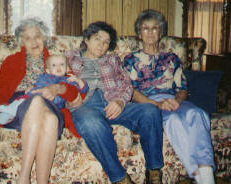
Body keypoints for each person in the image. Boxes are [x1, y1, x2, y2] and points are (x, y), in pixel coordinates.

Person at [123, 9, 215, 184]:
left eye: (155, 28)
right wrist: (156, 104)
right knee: (173, 121)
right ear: (139, 34)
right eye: (145, 28)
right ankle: (197, 174)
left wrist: (177, 100)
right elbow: (131, 91)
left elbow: (182, 87)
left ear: (161, 32)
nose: (150, 32)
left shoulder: (171, 58)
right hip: (149, 103)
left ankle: (206, 170)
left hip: (174, 99)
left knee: (199, 114)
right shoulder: (131, 59)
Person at [65, 21, 164, 184]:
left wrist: (119, 101)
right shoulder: (69, 58)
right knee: (92, 123)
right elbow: (58, 80)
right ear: (87, 39)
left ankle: (153, 172)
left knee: (150, 111)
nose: (102, 45)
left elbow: (126, 84)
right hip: (85, 105)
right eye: (97, 39)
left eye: (106, 42)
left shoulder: (113, 60)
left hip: (112, 102)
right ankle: (121, 178)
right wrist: (69, 96)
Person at [0, 18, 80, 184]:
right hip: (18, 108)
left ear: (44, 38)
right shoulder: (11, 61)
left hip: (52, 106)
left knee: (51, 119)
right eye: (28, 37)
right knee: (37, 100)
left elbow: (74, 91)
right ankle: (26, 177)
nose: (33, 41)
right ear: (21, 42)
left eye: (37, 36)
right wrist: (4, 109)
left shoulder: (57, 60)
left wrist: (58, 88)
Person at [0, 55, 88, 137]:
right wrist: (31, 87)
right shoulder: (43, 76)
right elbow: (37, 85)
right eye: (54, 65)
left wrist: (79, 81)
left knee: (26, 102)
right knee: (21, 99)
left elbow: (83, 89)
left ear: (67, 68)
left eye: (62, 64)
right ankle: (4, 116)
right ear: (48, 70)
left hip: (51, 102)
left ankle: (10, 111)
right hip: (33, 96)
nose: (58, 67)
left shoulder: (68, 80)